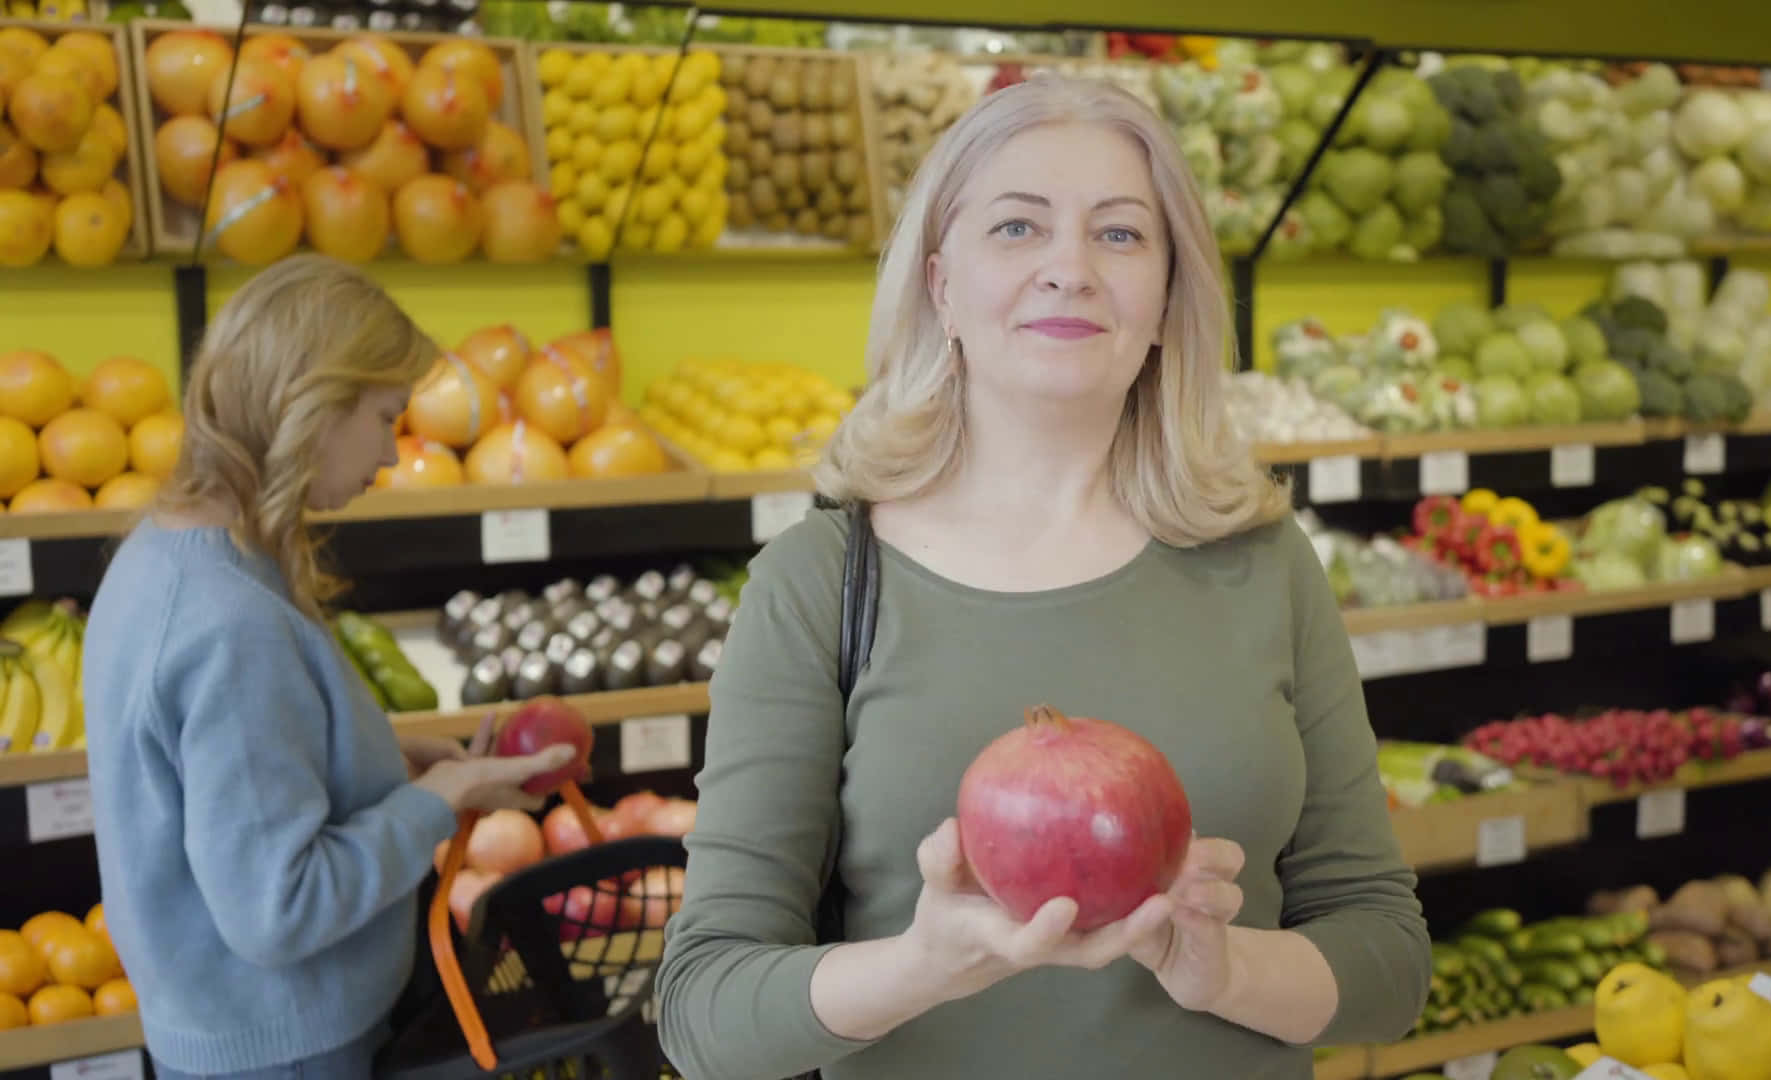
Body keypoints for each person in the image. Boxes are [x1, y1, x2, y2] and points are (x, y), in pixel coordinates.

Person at [656, 75, 1431, 1080]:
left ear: (1166, 298)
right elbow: (703, 1012)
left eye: (1119, 235)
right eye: (1018, 228)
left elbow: (1389, 963)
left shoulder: (1264, 565)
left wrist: (1221, 967)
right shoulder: (821, 583)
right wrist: (924, 965)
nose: (1069, 269)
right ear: (941, 285)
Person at [82, 254, 576, 1080]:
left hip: (240, 1030)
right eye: (385, 417)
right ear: (310, 406)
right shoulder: (228, 624)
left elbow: (230, 788)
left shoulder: (175, 556)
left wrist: (389, 763)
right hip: (288, 1053)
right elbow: (280, 908)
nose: (391, 455)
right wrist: (434, 802)